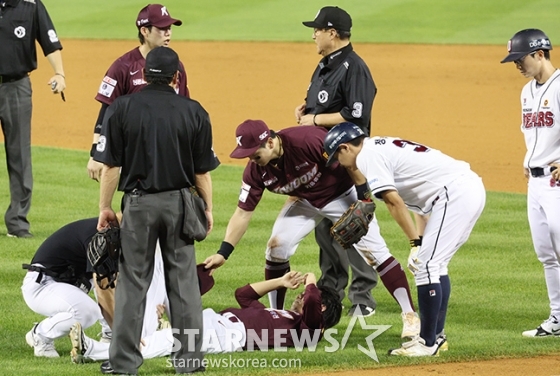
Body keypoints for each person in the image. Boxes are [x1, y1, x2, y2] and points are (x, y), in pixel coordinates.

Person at [204, 119, 420, 339]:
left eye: (254, 154)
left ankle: (410, 315)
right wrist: (224, 252)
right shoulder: (256, 171)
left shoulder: (308, 140)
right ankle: (277, 314)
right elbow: (242, 212)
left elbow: (351, 163)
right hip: (305, 201)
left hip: (341, 195)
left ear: (269, 142)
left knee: (376, 253)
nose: (251, 160)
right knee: (276, 247)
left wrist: (363, 199)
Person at [94, 46, 219, 375]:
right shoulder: (193, 111)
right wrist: (206, 208)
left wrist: (105, 207)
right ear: (176, 77)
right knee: (184, 287)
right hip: (180, 204)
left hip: (137, 205)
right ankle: (189, 363)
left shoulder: (121, 108)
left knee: (133, 285)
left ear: (145, 75)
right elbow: (202, 172)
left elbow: (110, 167)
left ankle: (123, 364)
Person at [323, 122, 486, 356]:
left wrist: (415, 244)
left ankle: (427, 343)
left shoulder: (367, 156)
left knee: (426, 266)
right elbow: (422, 205)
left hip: (455, 193)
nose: (338, 163)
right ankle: (436, 338)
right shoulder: (378, 146)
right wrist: (420, 238)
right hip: (464, 190)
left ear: (346, 148)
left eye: (336, 157)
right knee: (435, 266)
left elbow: (393, 201)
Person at [295, 6, 379, 316]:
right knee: (325, 231)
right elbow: (319, 102)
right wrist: (305, 111)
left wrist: (314, 118)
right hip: (324, 159)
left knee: (351, 227)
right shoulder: (325, 65)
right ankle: (331, 293)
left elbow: (355, 115)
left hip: (347, 159)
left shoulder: (354, 67)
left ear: (333, 33)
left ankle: (363, 299)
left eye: (317, 29)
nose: (313, 34)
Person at [68, 271, 342, 363]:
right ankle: (94, 349)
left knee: (163, 343)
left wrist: (312, 282)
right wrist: (280, 281)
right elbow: (243, 295)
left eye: (306, 298)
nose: (302, 297)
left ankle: (91, 350)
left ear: (321, 310)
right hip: (215, 321)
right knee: (159, 338)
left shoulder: (307, 331)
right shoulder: (283, 317)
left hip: (228, 336)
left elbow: (313, 303)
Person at [501, 29, 560, 338]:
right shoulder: (526, 92)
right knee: (546, 252)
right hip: (535, 184)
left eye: (520, 59)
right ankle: (558, 318)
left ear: (540, 54)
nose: (517, 66)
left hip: (556, 182)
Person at [87, 3, 189, 181]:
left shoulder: (176, 66)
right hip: (134, 150)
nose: (168, 33)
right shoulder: (122, 67)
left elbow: (184, 108)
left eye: (169, 28)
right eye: (162, 28)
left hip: (169, 149)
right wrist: (96, 152)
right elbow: (106, 111)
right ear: (144, 31)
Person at [0, 0, 66, 238]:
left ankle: (17, 222)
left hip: (16, 86)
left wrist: (59, 73)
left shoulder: (31, 5)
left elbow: (50, 41)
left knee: (19, 154)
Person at [22, 218, 108, 358]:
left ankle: (109, 335)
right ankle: (40, 334)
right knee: (87, 312)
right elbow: (103, 283)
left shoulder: (120, 234)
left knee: (116, 284)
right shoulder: (100, 234)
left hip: (67, 286)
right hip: (42, 286)